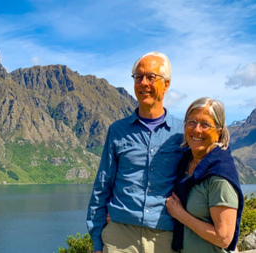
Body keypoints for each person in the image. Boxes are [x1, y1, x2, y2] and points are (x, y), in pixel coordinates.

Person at [86, 52, 186, 253]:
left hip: (164, 238)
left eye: (151, 77)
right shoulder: (117, 130)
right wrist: (97, 239)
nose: (143, 83)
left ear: (166, 84)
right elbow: (102, 185)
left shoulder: (181, 133)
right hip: (119, 237)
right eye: (138, 77)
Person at [166, 97, 244, 253]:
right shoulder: (186, 163)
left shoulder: (219, 177)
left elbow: (223, 238)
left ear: (219, 131)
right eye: (191, 122)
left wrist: (180, 214)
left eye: (205, 125)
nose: (196, 130)